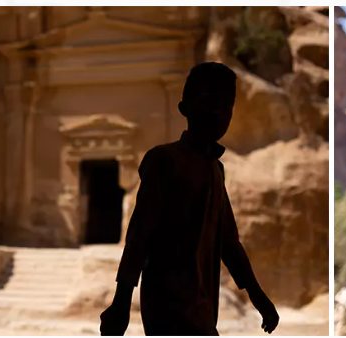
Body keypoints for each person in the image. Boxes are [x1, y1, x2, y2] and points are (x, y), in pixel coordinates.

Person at [99, 62, 280, 336]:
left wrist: (258, 297)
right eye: (209, 102)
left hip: (203, 305)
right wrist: (121, 301)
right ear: (185, 108)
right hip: (167, 304)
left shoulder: (215, 170)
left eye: (226, 104)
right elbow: (140, 235)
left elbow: (229, 242)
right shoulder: (164, 160)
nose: (219, 112)